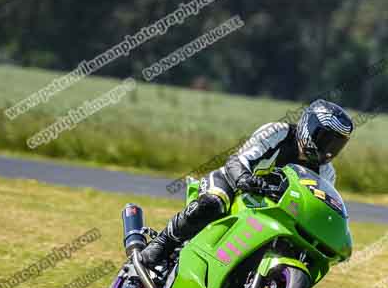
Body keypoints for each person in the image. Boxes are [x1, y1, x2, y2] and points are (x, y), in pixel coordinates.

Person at [139, 99, 355, 273]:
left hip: (269, 212)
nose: (328, 150)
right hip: (233, 185)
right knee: (213, 202)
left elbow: (316, 206)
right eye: (326, 139)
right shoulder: (278, 132)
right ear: (310, 127)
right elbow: (238, 159)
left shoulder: (326, 173)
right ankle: (162, 243)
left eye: (336, 145)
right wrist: (244, 178)